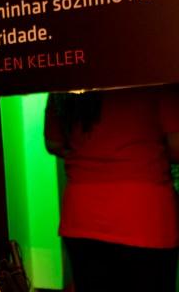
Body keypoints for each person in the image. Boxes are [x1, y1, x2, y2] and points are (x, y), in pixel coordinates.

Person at [44, 85, 179, 292]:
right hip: (144, 215)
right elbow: (177, 146)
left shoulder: (67, 81)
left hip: (82, 215)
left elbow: (53, 142)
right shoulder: (152, 74)